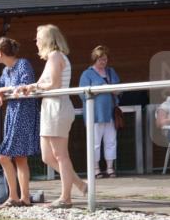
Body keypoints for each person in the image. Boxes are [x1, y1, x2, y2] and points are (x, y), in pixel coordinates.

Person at [20, 24, 86, 208]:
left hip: (58, 106)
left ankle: (66, 198)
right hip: (49, 107)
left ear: (47, 39)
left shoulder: (56, 56)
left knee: (60, 154)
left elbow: (54, 84)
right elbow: (42, 82)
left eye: (39, 38)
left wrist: (35, 87)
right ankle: (79, 184)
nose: (36, 41)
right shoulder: (51, 58)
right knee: (47, 156)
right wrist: (29, 87)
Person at [0, 37, 40, 207]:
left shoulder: (23, 64)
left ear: (0, 52)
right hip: (13, 114)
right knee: (19, 158)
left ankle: (15, 196)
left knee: (4, 157)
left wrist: (2, 90)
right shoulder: (6, 71)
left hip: (24, 114)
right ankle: (22, 198)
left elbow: (25, 85)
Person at [79, 46, 122, 178]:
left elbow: (119, 90)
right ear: (95, 59)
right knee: (95, 142)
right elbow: (82, 94)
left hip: (110, 114)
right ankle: (96, 169)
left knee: (111, 141)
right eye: (100, 60)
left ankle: (110, 168)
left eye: (105, 59)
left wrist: (110, 88)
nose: (103, 62)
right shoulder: (87, 74)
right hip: (95, 114)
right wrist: (99, 89)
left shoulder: (111, 72)